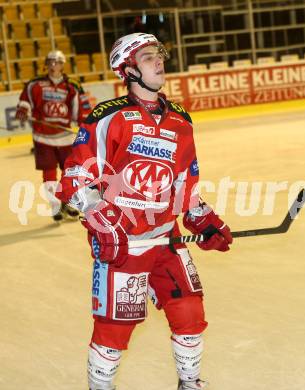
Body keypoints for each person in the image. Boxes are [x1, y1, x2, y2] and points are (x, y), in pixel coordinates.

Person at [55, 33, 233, 390]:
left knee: (190, 312)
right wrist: (102, 222)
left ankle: (189, 382)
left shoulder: (181, 120)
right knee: (114, 328)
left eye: (159, 55)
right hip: (125, 244)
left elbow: (185, 181)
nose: (159, 62)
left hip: (166, 239)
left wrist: (201, 217)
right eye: (148, 57)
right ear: (128, 69)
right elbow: (75, 179)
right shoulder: (109, 117)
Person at [15, 49, 92, 221]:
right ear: (46, 65)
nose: (53, 66)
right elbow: (25, 101)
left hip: (66, 137)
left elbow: (81, 109)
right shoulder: (35, 84)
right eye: (50, 62)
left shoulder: (73, 86)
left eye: (56, 62)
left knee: (69, 171)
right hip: (43, 137)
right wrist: (23, 109)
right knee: (49, 173)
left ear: (62, 65)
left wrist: (84, 126)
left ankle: (68, 200)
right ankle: (55, 205)